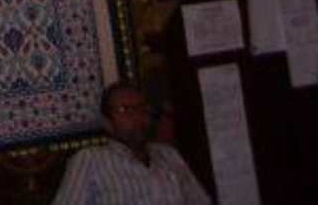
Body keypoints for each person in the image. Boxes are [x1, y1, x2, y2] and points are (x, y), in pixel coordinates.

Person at [53, 81, 211, 203]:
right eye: (125, 110)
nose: (137, 116)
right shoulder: (90, 160)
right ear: (107, 123)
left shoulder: (169, 156)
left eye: (142, 108)